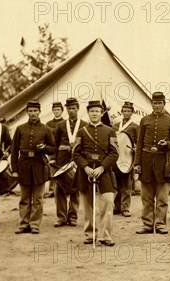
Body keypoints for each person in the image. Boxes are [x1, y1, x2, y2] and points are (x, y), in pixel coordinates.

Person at [134, 91, 170, 235]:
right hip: (146, 162)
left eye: (159, 103)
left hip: (163, 163)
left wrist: (167, 144)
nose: (157, 106)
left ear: (164, 104)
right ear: (151, 104)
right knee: (147, 197)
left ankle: (161, 224)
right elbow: (139, 144)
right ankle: (148, 225)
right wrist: (137, 163)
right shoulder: (144, 120)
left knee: (162, 198)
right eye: (154, 103)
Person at [73, 100, 119, 245]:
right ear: (88, 113)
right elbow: (76, 153)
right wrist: (85, 167)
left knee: (108, 201)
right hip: (85, 172)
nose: (94, 114)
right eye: (92, 111)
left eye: (97, 111)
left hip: (103, 171)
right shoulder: (81, 131)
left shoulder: (110, 131)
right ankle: (89, 234)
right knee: (88, 205)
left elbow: (114, 153)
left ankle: (105, 235)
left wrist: (102, 167)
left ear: (101, 113)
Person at [11, 100, 55, 234]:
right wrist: (14, 170)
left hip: (39, 166)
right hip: (23, 165)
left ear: (40, 112)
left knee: (38, 198)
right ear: (27, 112)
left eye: (35, 111)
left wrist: (44, 148)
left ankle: (35, 224)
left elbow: (53, 149)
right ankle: (24, 224)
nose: (33, 113)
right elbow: (14, 151)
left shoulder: (46, 129)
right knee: (24, 198)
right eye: (30, 111)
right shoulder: (20, 129)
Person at [52, 97, 87, 227]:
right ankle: (61, 217)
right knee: (59, 188)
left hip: (77, 160)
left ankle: (73, 217)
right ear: (66, 109)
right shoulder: (60, 125)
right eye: (69, 108)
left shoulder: (84, 125)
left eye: (73, 108)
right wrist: (53, 159)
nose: (71, 111)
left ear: (78, 109)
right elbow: (55, 144)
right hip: (61, 160)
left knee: (75, 188)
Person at [113, 101, 139, 217]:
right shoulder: (115, 125)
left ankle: (125, 208)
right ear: (122, 112)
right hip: (117, 157)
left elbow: (138, 143)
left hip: (128, 157)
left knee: (126, 185)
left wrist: (135, 149)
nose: (126, 113)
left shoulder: (135, 127)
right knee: (117, 184)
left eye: (129, 111)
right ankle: (117, 206)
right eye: (125, 111)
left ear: (132, 113)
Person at [44, 101, 64, 198]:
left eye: (58, 110)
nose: (56, 112)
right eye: (55, 110)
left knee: (62, 169)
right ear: (52, 111)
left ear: (62, 111)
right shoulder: (48, 123)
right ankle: (52, 190)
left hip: (62, 148)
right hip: (52, 148)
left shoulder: (65, 123)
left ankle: (63, 187)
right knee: (52, 167)